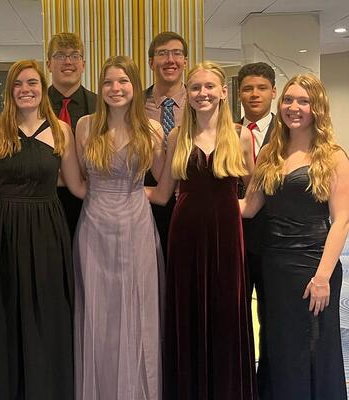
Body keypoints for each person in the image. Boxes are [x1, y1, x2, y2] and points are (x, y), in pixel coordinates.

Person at [146, 62, 256, 399]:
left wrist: (236, 210)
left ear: (224, 92)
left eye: (209, 87)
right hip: (186, 235)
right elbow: (163, 190)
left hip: (225, 235)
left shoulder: (239, 135)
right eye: (195, 88)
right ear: (187, 94)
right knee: (187, 312)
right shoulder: (177, 136)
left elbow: (254, 189)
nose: (202, 93)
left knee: (226, 311)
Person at [0, 59, 85, 400]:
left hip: (48, 227)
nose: (26, 90)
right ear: (10, 91)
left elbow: (75, 185)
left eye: (32, 83)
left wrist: (124, 195)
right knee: (7, 307)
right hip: (5, 229)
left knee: (48, 308)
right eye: (19, 84)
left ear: (42, 88)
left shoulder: (62, 131)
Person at [240, 74, 349, 399]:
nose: (294, 107)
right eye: (289, 100)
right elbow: (248, 207)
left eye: (303, 101)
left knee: (312, 348)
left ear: (316, 107)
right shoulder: (271, 154)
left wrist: (322, 277)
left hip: (313, 267)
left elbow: (342, 219)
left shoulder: (332, 155)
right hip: (276, 268)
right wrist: (198, 202)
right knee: (280, 346)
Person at [74, 55, 165, 400]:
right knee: (99, 314)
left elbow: (165, 188)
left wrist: (131, 193)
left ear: (135, 86)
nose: (116, 88)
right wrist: (106, 196)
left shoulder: (153, 129)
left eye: (123, 81)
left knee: (136, 310)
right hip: (94, 227)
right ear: (100, 88)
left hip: (136, 226)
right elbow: (77, 185)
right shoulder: (84, 126)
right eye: (109, 82)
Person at [236, 61, 277, 380]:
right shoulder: (227, 132)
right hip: (234, 238)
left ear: (273, 92)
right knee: (235, 317)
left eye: (261, 88)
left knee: (272, 316)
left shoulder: (290, 131)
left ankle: (269, 383)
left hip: (277, 242)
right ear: (239, 94)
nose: (254, 94)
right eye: (248, 88)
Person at [46, 32, 97, 237]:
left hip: (90, 203)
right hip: (45, 203)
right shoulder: (32, 107)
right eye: (60, 55)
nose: (68, 62)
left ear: (83, 64)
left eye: (74, 55)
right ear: (49, 64)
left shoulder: (102, 106)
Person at [144, 31, 189, 262]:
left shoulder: (201, 105)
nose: (170, 60)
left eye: (176, 54)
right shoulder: (135, 107)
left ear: (185, 62)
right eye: (162, 54)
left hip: (190, 203)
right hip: (148, 206)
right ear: (151, 62)